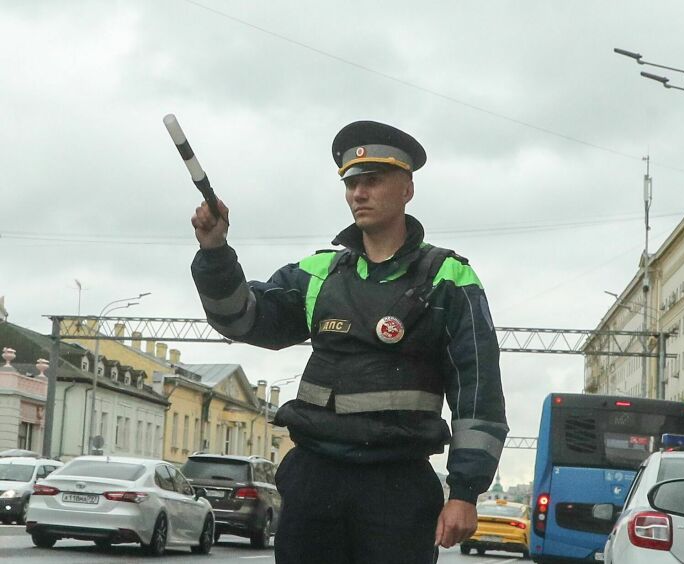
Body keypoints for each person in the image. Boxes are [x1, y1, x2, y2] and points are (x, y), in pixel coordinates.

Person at [191, 120, 508, 564]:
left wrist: (465, 491)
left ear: (407, 189)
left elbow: (478, 393)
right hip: (314, 479)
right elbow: (241, 319)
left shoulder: (448, 279)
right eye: (351, 183)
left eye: (372, 181)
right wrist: (215, 253)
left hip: (397, 486)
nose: (358, 193)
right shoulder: (319, 272)